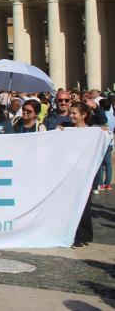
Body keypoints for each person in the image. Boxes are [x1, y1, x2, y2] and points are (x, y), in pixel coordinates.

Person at [59, 101, 96, 246]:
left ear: (84, 115)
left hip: (85, 172)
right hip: (70, 172)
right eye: (70, 113)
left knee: (84, 204)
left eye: (74, 113)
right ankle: (75, 234)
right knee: (71, 204)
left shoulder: (92, 132)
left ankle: (83, 234)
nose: (71, 116)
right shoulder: (67, 129)